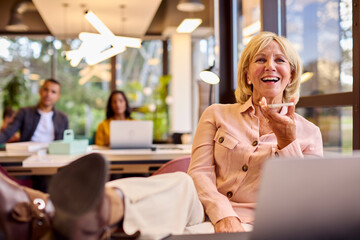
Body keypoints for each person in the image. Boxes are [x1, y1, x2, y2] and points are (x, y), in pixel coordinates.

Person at [0, 32, 323, 240]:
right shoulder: (216, 113)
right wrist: (222, 213)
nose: (270, 65)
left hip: (259, 225)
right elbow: (199, 173)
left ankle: (45, 213)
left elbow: (307, 199)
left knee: (144, 229)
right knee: (181, 183)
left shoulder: (310, 133)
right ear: (248, 74)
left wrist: (287, 142)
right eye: (260, 59)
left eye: (280, 60)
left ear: (291, 73)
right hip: (204, 206)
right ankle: (88, 210)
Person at [0, 79, 69, 144]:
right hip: (28, 154)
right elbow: (7, 133)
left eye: (53, 92)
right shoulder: (25, 113)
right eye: (46, 90)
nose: (48, 94)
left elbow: (66, 141)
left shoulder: (63, 118)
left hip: (54, 154)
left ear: (58, 96)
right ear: (40, 91)